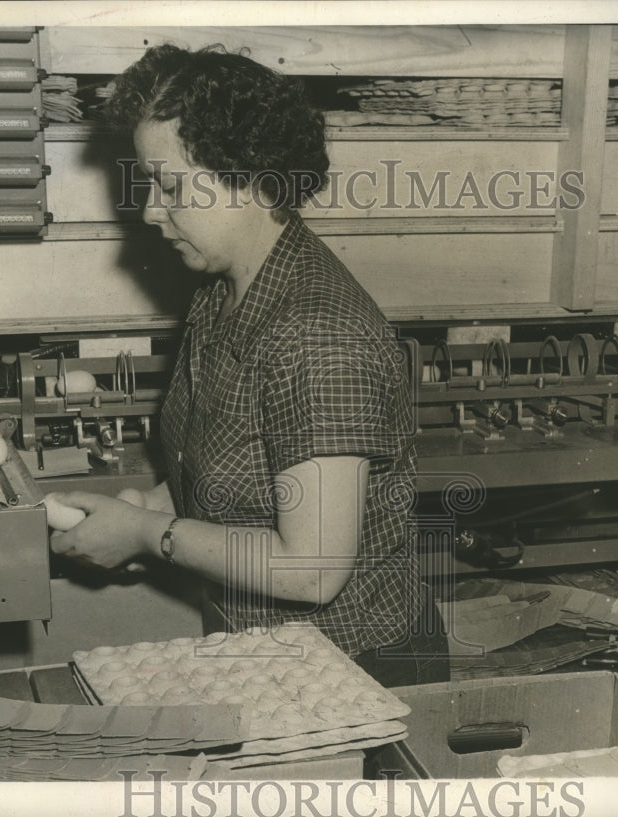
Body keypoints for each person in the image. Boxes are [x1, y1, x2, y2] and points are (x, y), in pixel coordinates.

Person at [48, 44, 448, 687]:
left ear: (255, 179)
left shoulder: (316, 335)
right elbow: (239, 474)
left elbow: (312, 568)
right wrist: (141, 508)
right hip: (269, 653)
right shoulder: (224, 291)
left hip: (355, 669)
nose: (151, 210)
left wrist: (150, 533)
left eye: (171, 186)